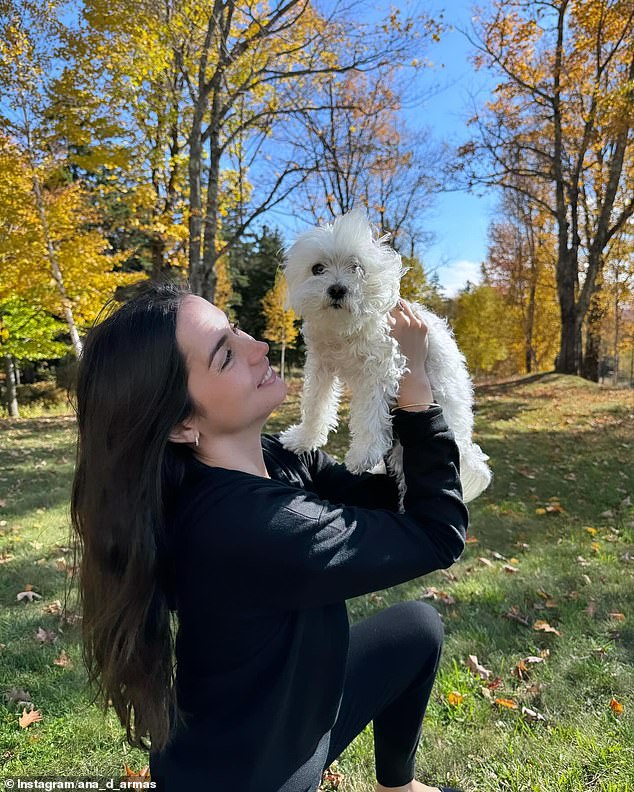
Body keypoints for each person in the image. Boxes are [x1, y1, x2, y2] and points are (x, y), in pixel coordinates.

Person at [69, 278, 468, 792]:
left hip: (304, 717)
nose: (256, 346)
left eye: (235, 329)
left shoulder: (275, 459)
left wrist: (394, 375)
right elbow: (438, 532)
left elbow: (395, 498)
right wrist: (414, 396)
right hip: (251, 775)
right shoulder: (252, 527)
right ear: (181, 424)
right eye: (225, 355)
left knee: (417, 628)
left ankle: (399, 785)